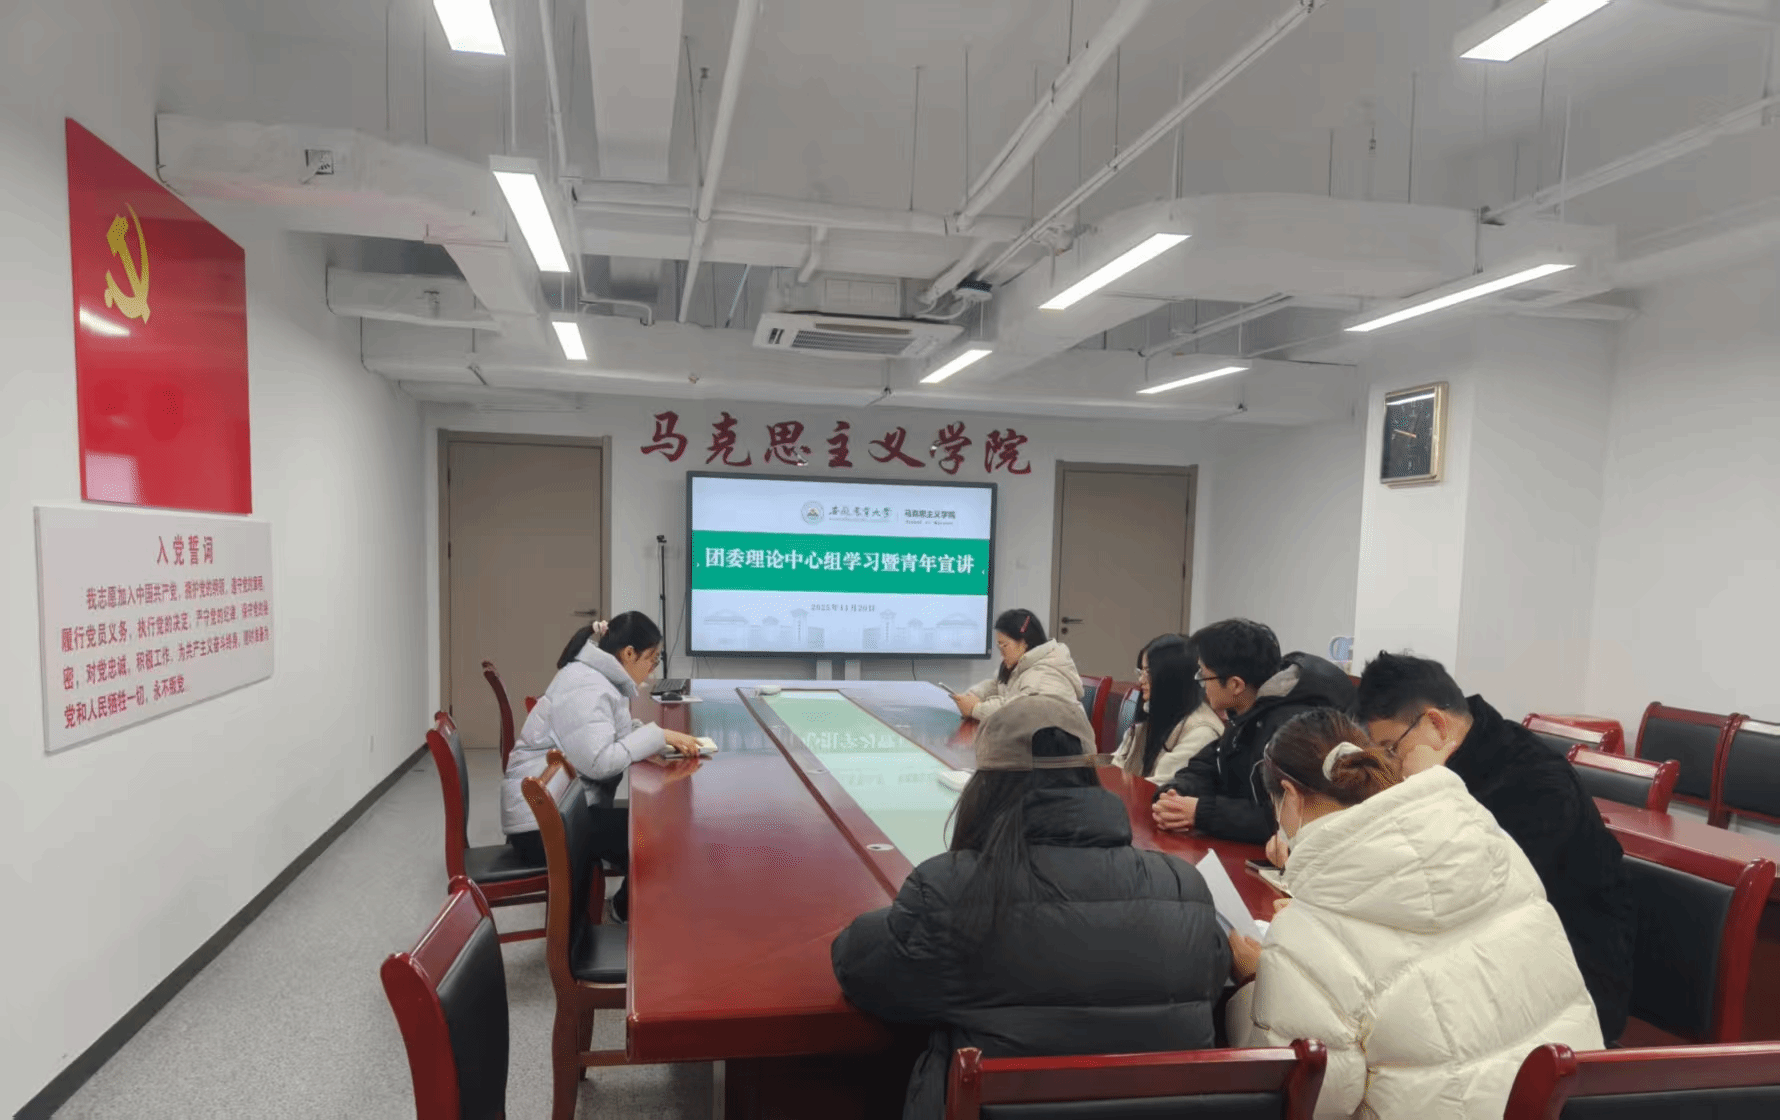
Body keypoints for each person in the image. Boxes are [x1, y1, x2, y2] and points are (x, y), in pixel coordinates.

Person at [831, 696, 1230, 1120]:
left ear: (985, 787)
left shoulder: (949, 893)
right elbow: (1212, 975)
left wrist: (914, 917)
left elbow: (859, 968)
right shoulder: (1183, 889)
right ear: (1090, 775)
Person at [1226, 709, 1603, 1120]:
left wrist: (1254, 984)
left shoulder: (1305, 935)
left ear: (1290, 796)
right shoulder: (1495, 845)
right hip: (1574, 1104)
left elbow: (1313, 1102)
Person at [1355, 651, 1635, 1044]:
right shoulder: (1456, 764)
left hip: (1570, 985)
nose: (1392, 766)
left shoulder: (1535, 783)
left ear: (1435, 723)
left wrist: (1427, 798)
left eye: (1392, 749)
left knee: (1383, 1024)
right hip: (1485, 960)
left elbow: (1467, 894)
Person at [500, 612, 701, 921]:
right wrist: (657, 736)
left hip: (558, 808)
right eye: (652, 659)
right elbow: (599, 763)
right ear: (629, 653)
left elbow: (617, 734)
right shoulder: (587, 686)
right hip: (540, 826)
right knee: (650, 838)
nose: (653, 668)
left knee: (649, 828)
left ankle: (627, 907)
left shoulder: (598, 678)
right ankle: (623, 911)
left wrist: (661, 739)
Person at [1152, 618, 1354, 844]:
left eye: (1204, 675)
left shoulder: (1291, 730)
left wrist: (1201, 812)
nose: (1201, 684)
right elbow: (1208, 765)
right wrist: (1176, 793)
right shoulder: (1244, 715)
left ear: (1235, 685)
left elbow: (1280, 818)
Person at [1110, 633, 1223, 784]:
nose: (1140, 680)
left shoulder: (1201, 733)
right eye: (1141, 671)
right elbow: (1117, 766)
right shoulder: (1154, 715)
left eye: (1149, 672)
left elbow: (1158, 787)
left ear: (1172, 676)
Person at [952, 608, 1082, 722]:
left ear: (1024, 643)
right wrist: (973, 696)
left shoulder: (1046, 673)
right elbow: (997, 685)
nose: (1001, 652)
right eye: (998, 645)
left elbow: (1018, 712)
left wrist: (975, 708)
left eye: (1004, 645)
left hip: (1059, 741)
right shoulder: (1021, 665)